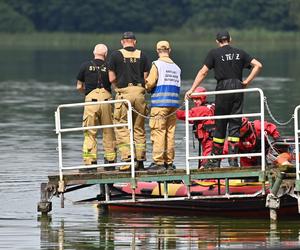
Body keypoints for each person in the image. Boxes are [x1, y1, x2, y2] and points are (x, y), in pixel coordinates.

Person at [185, 30, 262, 168]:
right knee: (235, 122)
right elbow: (258, 65)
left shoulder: (214, 53)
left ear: (217, 41)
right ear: (230, 39)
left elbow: (203, 72)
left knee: (220, 122)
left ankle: (216, 160)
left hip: (223, 87)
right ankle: (233, 161)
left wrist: (192, 89)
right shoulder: (240, 53)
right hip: (238, 87)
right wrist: (246, 82)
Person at [108, 32, 150, 171]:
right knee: (139, 128)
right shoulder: (142, 55)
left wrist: (117, 88)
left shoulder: (115, 55)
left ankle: (127, 159)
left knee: (121, 127)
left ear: (122, 42)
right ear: (135, 42)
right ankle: (140, 161)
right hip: (139, 93)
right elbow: (146, 77)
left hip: (124, 93)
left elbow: (111, 78)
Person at [76, 44, 116, 169]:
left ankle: (90, 162)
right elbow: (114, 84)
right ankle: (110, 162)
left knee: (89, 132)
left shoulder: (85, 66)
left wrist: (87, 93)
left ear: (94, 52)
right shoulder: (110, 66)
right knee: (108, 131)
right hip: (107, 101)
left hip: (91, 101)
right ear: (106, 54)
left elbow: (79, 86)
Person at [145, 41, 181, 172]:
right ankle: (169, 162)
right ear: (169, 50)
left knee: (158, 132)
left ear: (157, 50)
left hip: (160, 104)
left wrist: (145, 86)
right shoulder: (177, 67)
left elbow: (150, 83)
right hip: (173, 104)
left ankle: (158, 162)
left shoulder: (157, 64)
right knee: (170, 134)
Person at [176, 87, 215, 168]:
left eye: (197, 99)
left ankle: (208, 177)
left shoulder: (202, 109)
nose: (194, 101)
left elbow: (187, 115)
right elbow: (193, 120)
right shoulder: (209, 107)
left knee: (207, 161)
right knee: (206, 159)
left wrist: (170, 111)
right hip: (207, 140)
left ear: (202, 98)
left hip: (209, 141)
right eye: (193, 99)